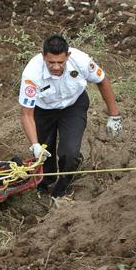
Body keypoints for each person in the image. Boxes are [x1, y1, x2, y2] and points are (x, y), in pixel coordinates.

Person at [19, 34, 122, 198]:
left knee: (70, 153)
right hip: (43, 111)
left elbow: (102, 80)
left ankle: (62, 188)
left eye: (60, 62)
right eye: (51, 62)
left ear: (68, 56)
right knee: (44, 155)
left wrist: (114, 115)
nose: (56, 67)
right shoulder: (32, 73)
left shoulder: (81, 61)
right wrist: (35, 144)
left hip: (73, 106)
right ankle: (44, 185)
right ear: (43, 56)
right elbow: (26, 114)